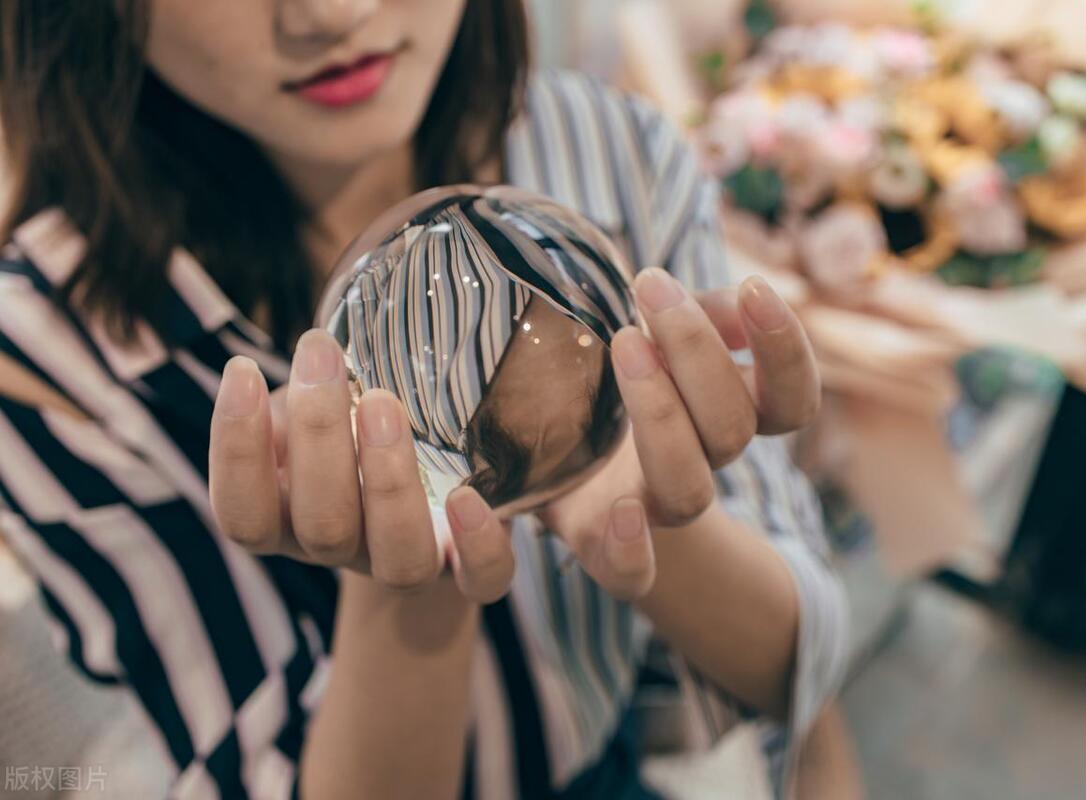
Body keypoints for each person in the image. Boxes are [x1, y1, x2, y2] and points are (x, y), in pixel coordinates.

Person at [0, 1, 849, 797]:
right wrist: (405, 576)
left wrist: (651, 510)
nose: (330, 14)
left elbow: (794, 669)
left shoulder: (600, 145)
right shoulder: (42, 353)